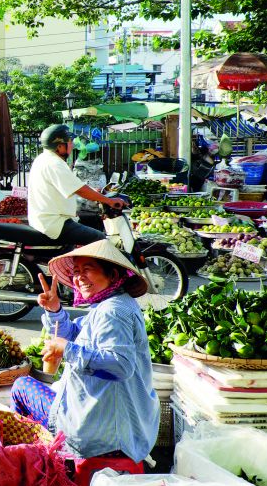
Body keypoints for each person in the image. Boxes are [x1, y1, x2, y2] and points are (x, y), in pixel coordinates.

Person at [10, 240, 158, 464]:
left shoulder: (112, 311)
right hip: (113, 423)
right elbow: (72, 331)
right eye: (76, 272)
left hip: (101, 431)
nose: (79, 278)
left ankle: (33, 462)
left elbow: (120, 365)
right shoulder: (111, 303)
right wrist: (54, 310)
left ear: (112, 274)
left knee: (21, 387)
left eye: (87, 269)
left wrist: (66, 350)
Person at [28, 124, 127, 246]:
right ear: (59, 146)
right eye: (69, 142)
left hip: (44, 220)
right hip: (55, 223)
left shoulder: (43, 159)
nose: (72, 145)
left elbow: (74, 185)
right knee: (100, 239)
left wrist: (95, 193)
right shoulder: (54, 163)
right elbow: (80, 190)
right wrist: (108, 201)